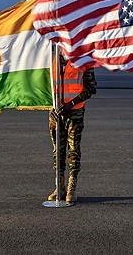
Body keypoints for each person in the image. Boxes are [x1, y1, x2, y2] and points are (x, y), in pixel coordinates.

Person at [47, 54, 97, 204]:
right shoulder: (51, 56)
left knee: (73, 149)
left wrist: (72, 103)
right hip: (55, 112)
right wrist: (52, 106)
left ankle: (71, 187)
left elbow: (91, 88)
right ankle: (59, 186)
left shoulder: (83, 58)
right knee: (58, 150)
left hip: (74, 111)